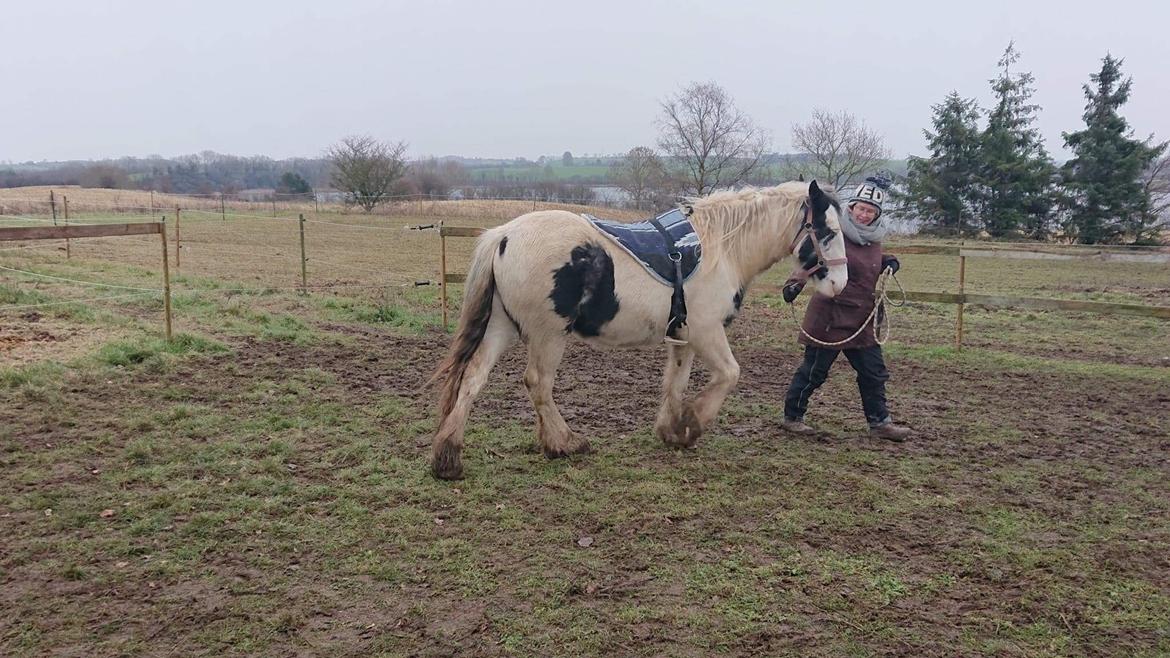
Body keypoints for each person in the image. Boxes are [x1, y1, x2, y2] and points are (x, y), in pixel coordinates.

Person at [779, 176, 913, 441]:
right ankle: (792, 417)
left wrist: (890, 261)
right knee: (814, 372)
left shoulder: (872, 239)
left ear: (877, 215)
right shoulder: (834, 233)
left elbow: (869, 259)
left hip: (862, 319)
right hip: (830, 316)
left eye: (870, 211)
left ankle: (880, 423)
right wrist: (796, 282)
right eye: (860, 209)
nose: (864, 215)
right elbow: (812, 258)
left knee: (873, 372)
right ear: (851, 208)